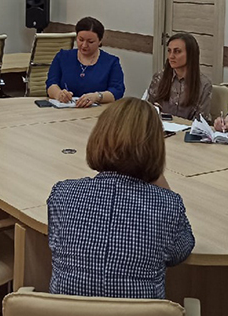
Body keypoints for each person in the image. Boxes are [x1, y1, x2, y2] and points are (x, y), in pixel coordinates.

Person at [47, 98, 195, 299]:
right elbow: (180, 252)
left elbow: (57, 244)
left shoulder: (63, 194)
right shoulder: (168, 205)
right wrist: (156, 176)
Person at [46, 16, 125, 108]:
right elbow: (51, 84)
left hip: (96, 112)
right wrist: (59, 94)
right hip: (64, 110)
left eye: (90, 42)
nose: (84, 45)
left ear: (100, 41)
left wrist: (97, 96)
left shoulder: (111, 62)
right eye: (81, 40)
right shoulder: (62, 57)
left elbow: (117, 91)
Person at [147, 32, 212, 120]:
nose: (171, 56)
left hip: (188, 128)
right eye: (169, 51)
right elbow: (149, 110)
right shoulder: (159, 77)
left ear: (190, 54)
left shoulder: (203, 84)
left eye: (177, 51)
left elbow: (201, 120)